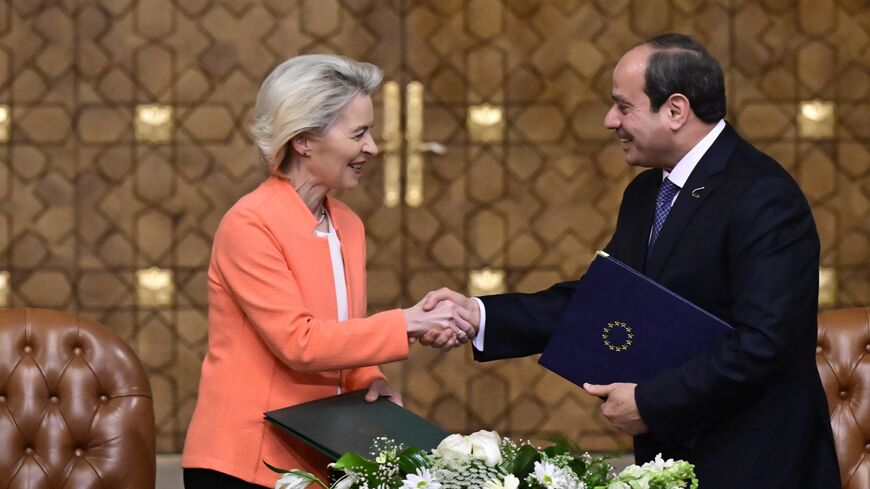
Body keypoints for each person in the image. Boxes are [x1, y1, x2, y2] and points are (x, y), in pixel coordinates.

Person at [420, 33, 840, 489]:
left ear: (676, 110)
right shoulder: (647, 191)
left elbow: (767, 343)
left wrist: (652, 402)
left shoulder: (762, 194)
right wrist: (478, 314)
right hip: (679, 454)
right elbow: (604, 300)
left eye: (623, 106)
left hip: (757, 461)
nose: (608, 120)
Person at [181, 54, 474, 489]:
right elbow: (299, 342)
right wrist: (408, 322)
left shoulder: (348, 225)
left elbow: (342, 335)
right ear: (303, 140)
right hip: (244, 463)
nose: (372, 147)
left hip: (317, 457)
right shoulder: (250, 224)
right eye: (359, 133)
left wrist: (370, 381)